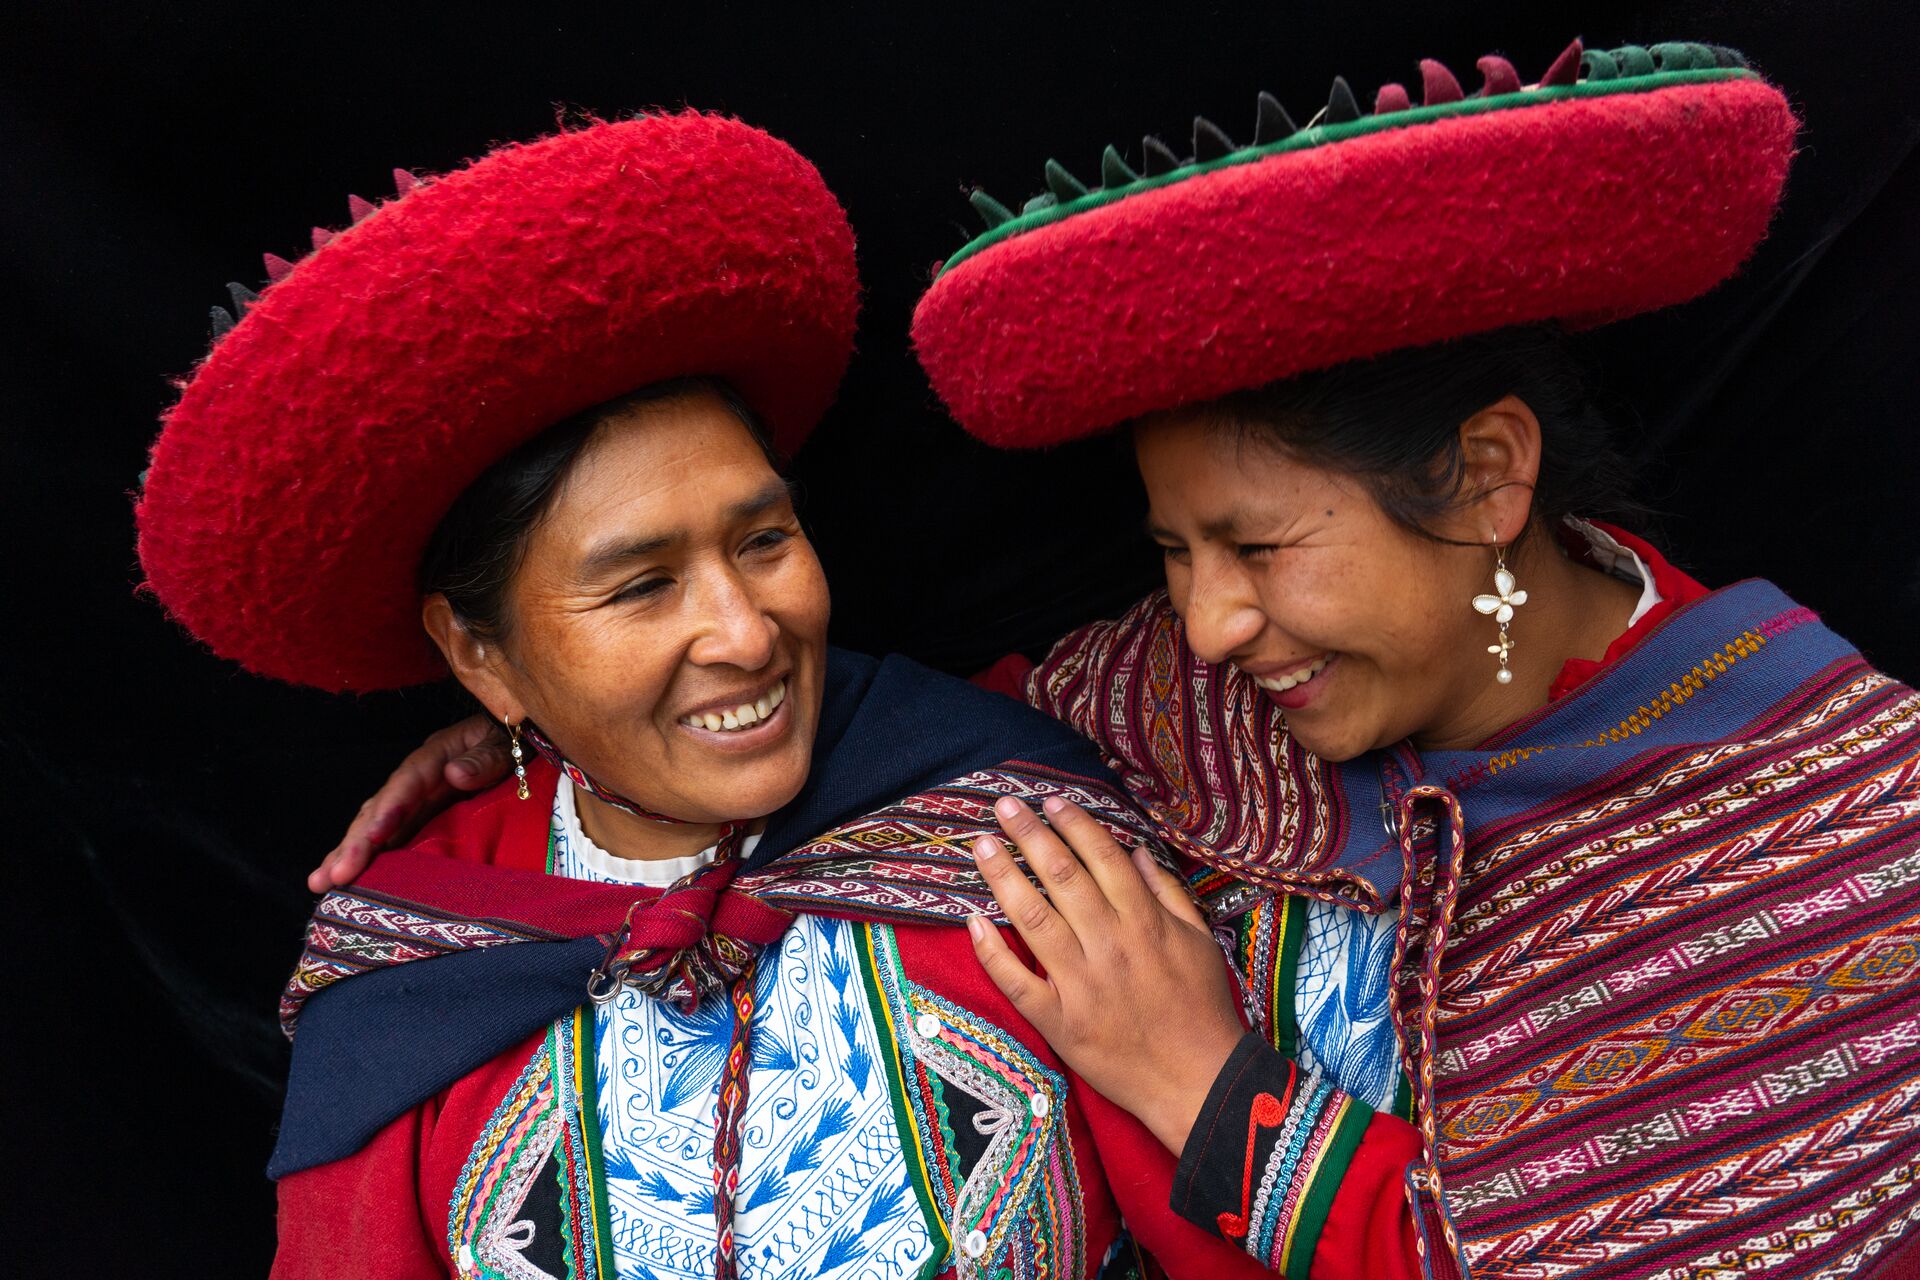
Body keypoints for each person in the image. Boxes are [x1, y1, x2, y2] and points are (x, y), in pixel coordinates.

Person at [342, 38, 1920, 1279]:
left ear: (1493, 477)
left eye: (1255, 547)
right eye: (1172, 557)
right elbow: (902, 742)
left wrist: (1211, 1087)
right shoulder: (1178, 702)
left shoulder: (1837, 826)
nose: (1210, 623)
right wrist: (539, 730)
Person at [138, 111, 1361, 1280]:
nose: (743, 630)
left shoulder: (1024, 841)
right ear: (480, 656)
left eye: (765, 539)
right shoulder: (408, 977)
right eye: (641, 588)